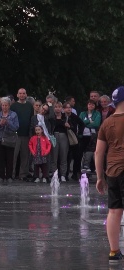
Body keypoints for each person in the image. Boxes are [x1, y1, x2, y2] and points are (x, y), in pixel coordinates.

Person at [95, 86, 124, 264]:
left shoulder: (107, 123)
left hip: (112, 171)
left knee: (114, 211)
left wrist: (100, 177)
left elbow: (99, 153)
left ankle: (114, 251)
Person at [0, 97, 19, 182]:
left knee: (10, 158)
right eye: (3, 105)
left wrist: (8, 122)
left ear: (9, 105)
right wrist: (0, 124)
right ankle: (1, 176)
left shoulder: (14, 115)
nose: (4, 107)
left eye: (6, 105)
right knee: (0, 158)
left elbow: (16, 127)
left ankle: (9, 176)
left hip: (10, 139)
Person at [10, 88, 34, 181]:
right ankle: (11, 173)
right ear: (17, 95)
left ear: (26, 95)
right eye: (20, 93)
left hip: (26, 134)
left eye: (23, 93)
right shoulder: (14, 106)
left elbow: (31, 119)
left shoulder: (29, 106)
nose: (22, 95)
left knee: (25, 156)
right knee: (14, 156)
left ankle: (23, 174)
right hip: (15, 134)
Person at [63, 102, 85, 180]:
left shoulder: (74, 116)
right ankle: (65, 173)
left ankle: (75, 173)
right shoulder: (63, 116)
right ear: (64, 109)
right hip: (65, 138)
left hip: (73, 137)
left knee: (77, 156)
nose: (68, 109)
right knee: (66, 157)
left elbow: (82, 124)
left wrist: (79, 133)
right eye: (67, 107)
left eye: (70, 108)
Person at [79, 100, 101, 174]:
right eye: (89, 104)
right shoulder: (82, 113)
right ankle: (84, 166)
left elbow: (96, 124)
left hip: (93, 135)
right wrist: (89, 121)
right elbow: (80, 123)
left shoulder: (97, 113)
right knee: (83, 151)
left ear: (95, 106)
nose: (91, 106)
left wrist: (86, 123)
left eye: (92, 105)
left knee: (92, 150)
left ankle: (91, 167)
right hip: (83, 135)